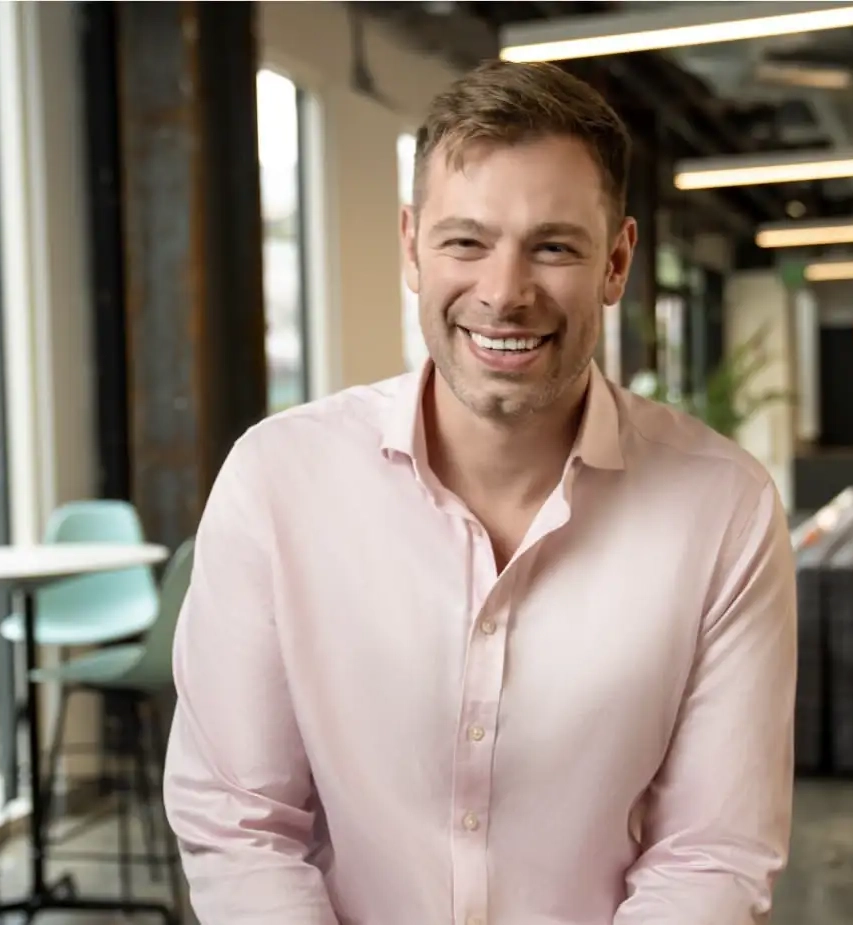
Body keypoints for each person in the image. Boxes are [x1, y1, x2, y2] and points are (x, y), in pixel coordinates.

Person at [163, 59, 797, 925]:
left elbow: (712, 849)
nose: (504, 294)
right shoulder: (278, 481)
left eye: (553, 246)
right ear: (412, 247)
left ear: (615, 262)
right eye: (466, 241)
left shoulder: (724, 508)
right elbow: (240, 823)